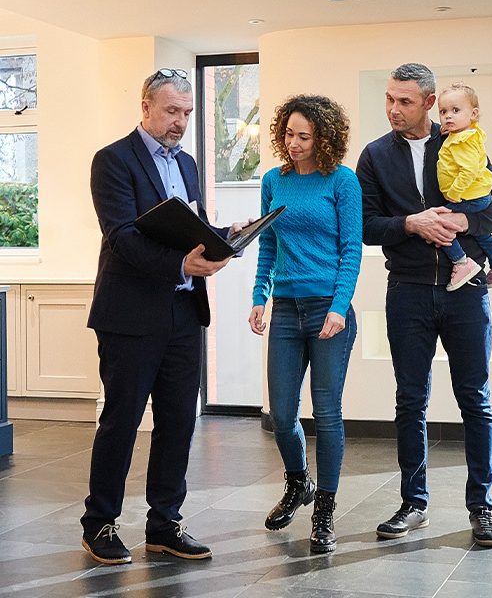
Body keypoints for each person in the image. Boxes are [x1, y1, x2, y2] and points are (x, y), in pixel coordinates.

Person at [81, 68, 246, 565]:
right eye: (172, 111)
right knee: (123, 421)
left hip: (182, 311)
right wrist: (180, 263)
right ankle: (100, 524)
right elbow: (123, 236)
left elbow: (183, 227)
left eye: (188, 114)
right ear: (146, 106)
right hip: (130, 315)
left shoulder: (189, 163)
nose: (180, 122)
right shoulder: (112, 160)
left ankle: (164, 524)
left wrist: (224, 233)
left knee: (178, 422)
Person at [357, 63, 492, 547]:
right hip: (407, 291)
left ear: (428, 103)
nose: (393, 109)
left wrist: (461, 226)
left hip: (467, 292)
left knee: (475, 401)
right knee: (410, 400)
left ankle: (481, 507)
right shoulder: (375, 155)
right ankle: (413, 503)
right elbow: (364, 226)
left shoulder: (463, 140)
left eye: (404, 101)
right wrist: (411, 224)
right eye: (388, 99)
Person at [249, 94, 362, 553]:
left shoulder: (342, 181)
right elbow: (266, 245)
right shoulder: (273, 181)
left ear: (324, 138)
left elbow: (352, 248)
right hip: (286, 309)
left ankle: (325, 509)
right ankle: (299, 483)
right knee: (281, 413)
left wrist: (339, 305)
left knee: (328, 412)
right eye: (289, 134)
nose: (293, 144)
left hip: (328, 311)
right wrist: (260, 295)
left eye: (304, 136)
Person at [436, 82, 492, 291]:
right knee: (482, 234)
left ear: (474, 114)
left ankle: (461, 262)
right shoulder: (468, 134)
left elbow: (468, 171)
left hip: (468, 197)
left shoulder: (462, 141)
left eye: (455, 110)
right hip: (479, 196)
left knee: (440, 226)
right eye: (443, 112)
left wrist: (453, 193)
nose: (448, 117)